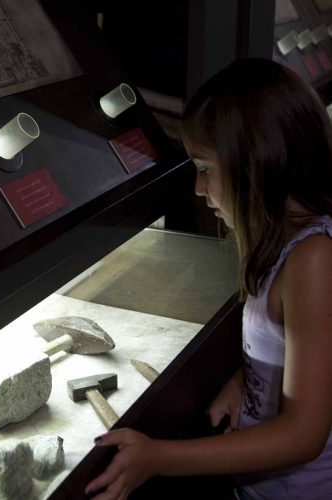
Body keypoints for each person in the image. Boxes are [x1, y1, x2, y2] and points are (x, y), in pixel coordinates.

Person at [85, 58, 332, 499]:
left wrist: (158, 458)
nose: (198, 191)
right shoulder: (280, 242)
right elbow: (300, 348)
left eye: (204, 168)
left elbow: (304, 435)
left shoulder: (315, 260)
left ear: (254, 164)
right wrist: (242, 380)